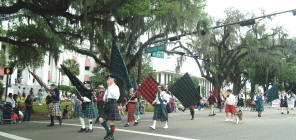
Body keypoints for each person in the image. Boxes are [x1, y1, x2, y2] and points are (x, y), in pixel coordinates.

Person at [99, 75, 121, 140]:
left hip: (112, 103)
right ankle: (109, 132)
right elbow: (104, 98)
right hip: (107, 104)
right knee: (101, 119)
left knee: (111, 122)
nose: (108, 80)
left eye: (109, 78)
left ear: (113, 79)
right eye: (108, 79)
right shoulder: (108, 88)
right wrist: (104, 98)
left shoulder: (115, 87)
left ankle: (111, 136)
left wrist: (109, 87)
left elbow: (115, 97)